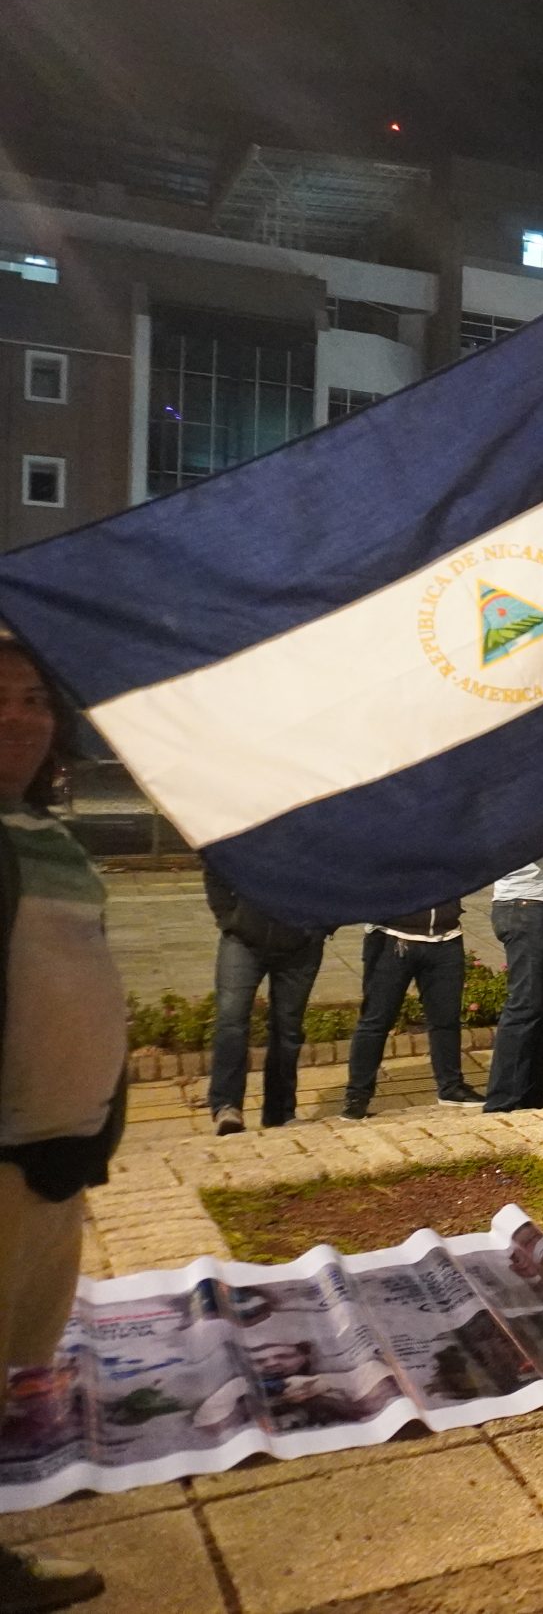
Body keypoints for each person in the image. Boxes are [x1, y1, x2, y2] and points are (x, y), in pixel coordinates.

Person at [0, 639, 123, 1609]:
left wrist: (94, 1127)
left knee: (13, 1359)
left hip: (56, 1158)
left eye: (35, 696)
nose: (18, 715)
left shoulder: (44, 833)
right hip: (10, 1157)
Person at [202, 869, 329, 1134]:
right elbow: (216, 862)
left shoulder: (318, 829)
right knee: (231, 1020)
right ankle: (227, 1106)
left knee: (288, 1029)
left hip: (301, 944)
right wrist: (229, 917)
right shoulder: (248, 827)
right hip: (243, 939)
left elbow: (341, 873)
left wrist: (322, 925)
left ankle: (280, 1113)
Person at [341, 895, 474, 1118]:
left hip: (446, 938)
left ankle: (451, 1087)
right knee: (376, 1020)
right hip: (391, 938)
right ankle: (357, 1096)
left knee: (446, 1019)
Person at [483, 853, 543, 1113]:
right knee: (528, 1003)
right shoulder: (522, 812)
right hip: (527, 906)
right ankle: (503, 1098)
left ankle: (531, 1090)